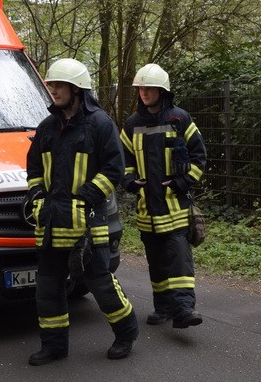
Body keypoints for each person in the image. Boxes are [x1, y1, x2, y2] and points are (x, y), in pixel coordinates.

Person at [24, 58, 139, 365]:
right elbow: (34, 168)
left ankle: (126, 330)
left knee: (99, 283)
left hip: (88, 223)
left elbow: (114, 169)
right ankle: (54, 345)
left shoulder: (100, 124)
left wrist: (87, 197)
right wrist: (36, 194)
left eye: (59, 85)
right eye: (51, 85)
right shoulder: (47, 127)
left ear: (77, 90)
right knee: (48, 287)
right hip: (51, 222)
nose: (53, 91)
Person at [120, 63, 207, 328]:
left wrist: (181, 183)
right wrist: (131, 183)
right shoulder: (132, 124)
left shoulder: (180, 119)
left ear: (162, 91)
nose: (144, 93)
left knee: (180, 260)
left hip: (176, 207)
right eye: (141, 88)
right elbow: (123, 160)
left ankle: (184, 310)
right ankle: (163, 308)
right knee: (156, 264)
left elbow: (199, 157)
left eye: (149, 88)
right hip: (147, 209)